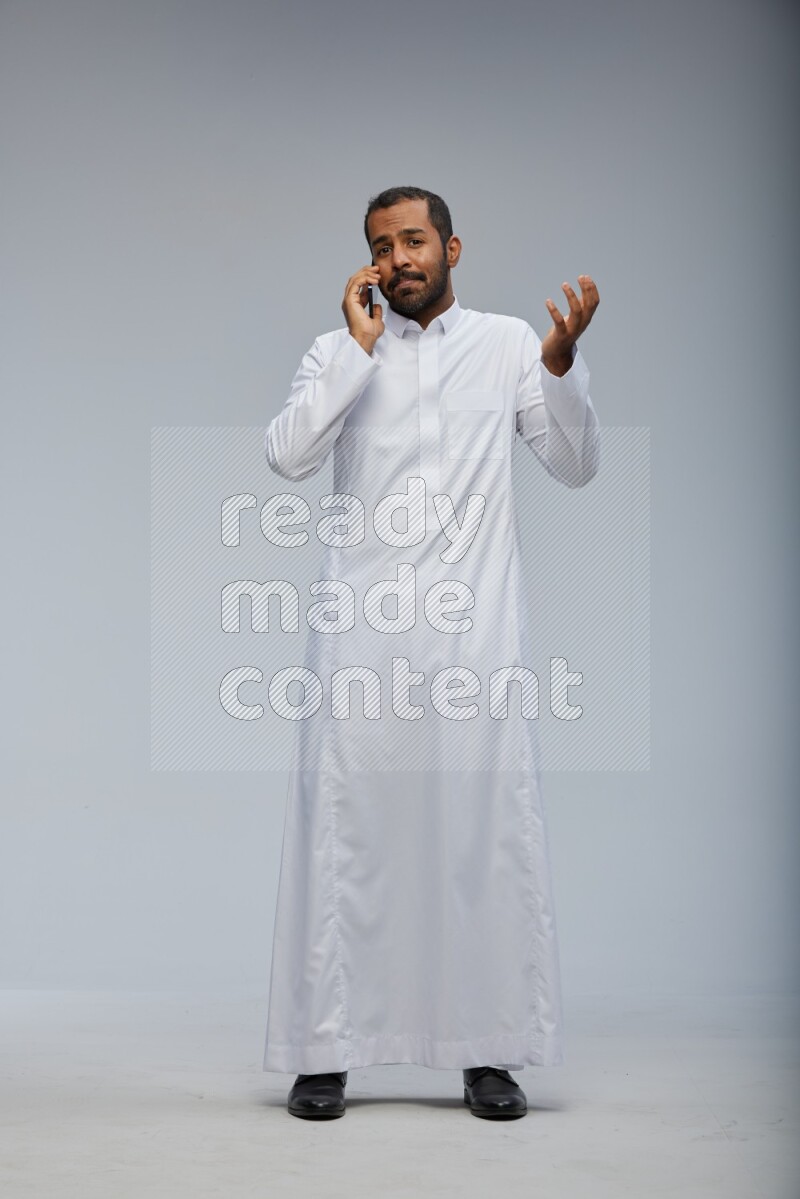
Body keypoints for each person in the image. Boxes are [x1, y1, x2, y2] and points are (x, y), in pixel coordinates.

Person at [262, 185, 600, 1120]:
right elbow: (286, 457)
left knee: (482, 836)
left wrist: (563, 367)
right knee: (346, 834)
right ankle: (324, 1051)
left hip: (472, 638)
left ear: (452, 246)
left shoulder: (505, 348)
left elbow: (574, 465)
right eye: (382, 245)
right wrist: (357, 358)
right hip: (360, 639)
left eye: (415, 239)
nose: (399, 257)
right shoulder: (337, 351)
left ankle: (489, 1052)